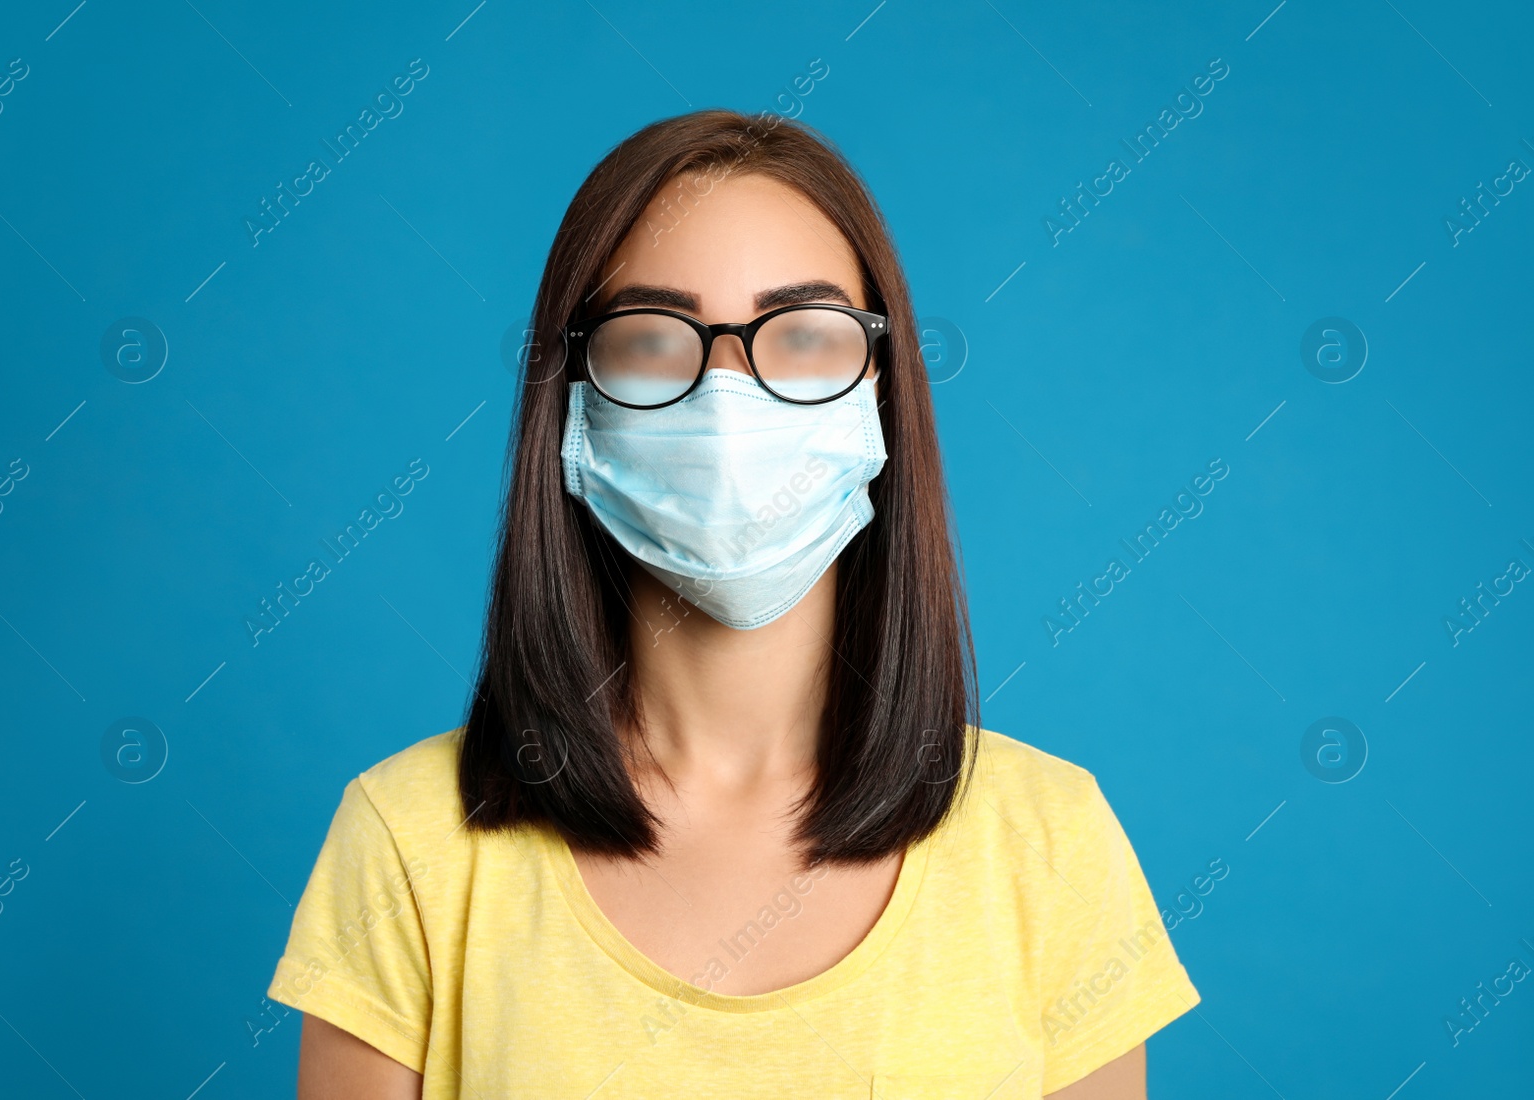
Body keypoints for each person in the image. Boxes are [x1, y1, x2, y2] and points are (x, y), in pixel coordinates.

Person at [265, 108, 1201, 1099]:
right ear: (572, 392)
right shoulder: (410, 841)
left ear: (881, 389)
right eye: (654, 337)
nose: (727, 395)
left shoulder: (1048, 842)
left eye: (802, 334)